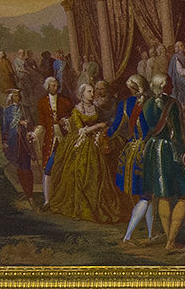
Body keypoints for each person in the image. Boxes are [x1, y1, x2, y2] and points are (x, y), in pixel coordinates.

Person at [50, 83, 130, 224]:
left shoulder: (95, 108)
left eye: (93, 91)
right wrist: (98, 126)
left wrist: (101, 130)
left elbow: (101, 121)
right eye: (89, 92)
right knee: (82, 172)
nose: (92, 94)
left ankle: (101, 203)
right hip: (82, 141)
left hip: (95, 139)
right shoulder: (76, 110)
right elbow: (82, 130)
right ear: (82, 94)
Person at [140, 74, 185, 252]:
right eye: (169, 83)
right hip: (169, 151)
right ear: (163, 86)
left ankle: (168, 238)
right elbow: (178, 134)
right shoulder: (173, 104)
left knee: (162, 195)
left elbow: (146, 129)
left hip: (152, 149)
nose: (172, 86)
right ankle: (171, 242)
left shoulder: (146, 104)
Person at [109, 75, 155, 245]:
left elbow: (115, 127)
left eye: (134, 87)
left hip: (133, 150)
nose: (132, 91)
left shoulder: (127, 103)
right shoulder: (151, 102)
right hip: (146, 152)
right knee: (146, 195)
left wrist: (105, 136)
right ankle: (127, 236)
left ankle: (151, 234)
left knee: (149, 195)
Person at [33, 75, 69, 209]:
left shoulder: (65, 101)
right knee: (48, 169)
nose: (56, 87)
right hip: (50, 140)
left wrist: (64, 122)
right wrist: (34, 134)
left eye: (57, 85)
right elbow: (41, 122)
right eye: (53, 85)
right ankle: (47, 201)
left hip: (65, 139)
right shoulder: (42, 102)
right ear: (48, 87)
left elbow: (71, 117)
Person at [0, 87, 35, 207]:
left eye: (19, 95)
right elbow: (5, 128)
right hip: (13, 142)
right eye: (15, 96)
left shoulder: (25, 109)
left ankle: (30, 194)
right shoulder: (7, 111)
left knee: (27, 167)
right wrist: (5, 142)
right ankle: (26, 192)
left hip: (25, 141)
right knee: (19, 166)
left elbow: (31, 124)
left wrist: (28, 127)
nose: (17, 98)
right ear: (11, 97)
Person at [167, 41, 185, 107]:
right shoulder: (176, 57)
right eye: (181, 46)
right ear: (177, 48)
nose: (182, 47)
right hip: (181, 80)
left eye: (182, 45)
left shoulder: (184, 55)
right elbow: (180, 71)